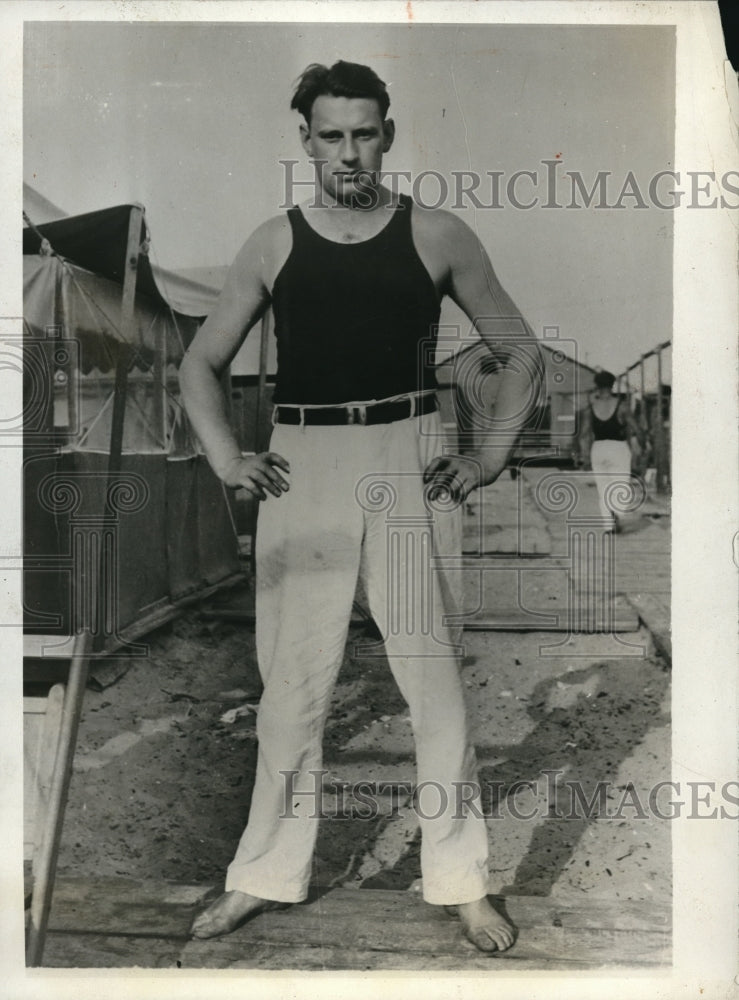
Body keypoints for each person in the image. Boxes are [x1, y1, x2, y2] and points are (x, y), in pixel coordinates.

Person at [180, 60, 543, 954]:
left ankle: (460, 882)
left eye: (364, 132)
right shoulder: (273, 241)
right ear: (305, 140)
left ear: (387, 133)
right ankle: (263, 873)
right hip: (303, 462)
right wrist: (229, 456)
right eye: (330, 135)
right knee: (293, 686)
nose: (349, 151)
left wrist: (489, 454)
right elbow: (199, 362)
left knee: (432, 682)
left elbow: (520, 351)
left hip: (407, 453)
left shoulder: (436, 232)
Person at [575, 369, 642, 531]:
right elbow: (637, 429)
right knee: (620, 485)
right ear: (613, 385)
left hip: (598, 449)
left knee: (603, 488)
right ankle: (617, 512)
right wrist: (643, 445)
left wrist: (583, 456)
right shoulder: (622, 406)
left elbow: (583, 435)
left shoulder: (590, 408)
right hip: (618, 447)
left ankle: (608, 525)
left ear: (597, 386)